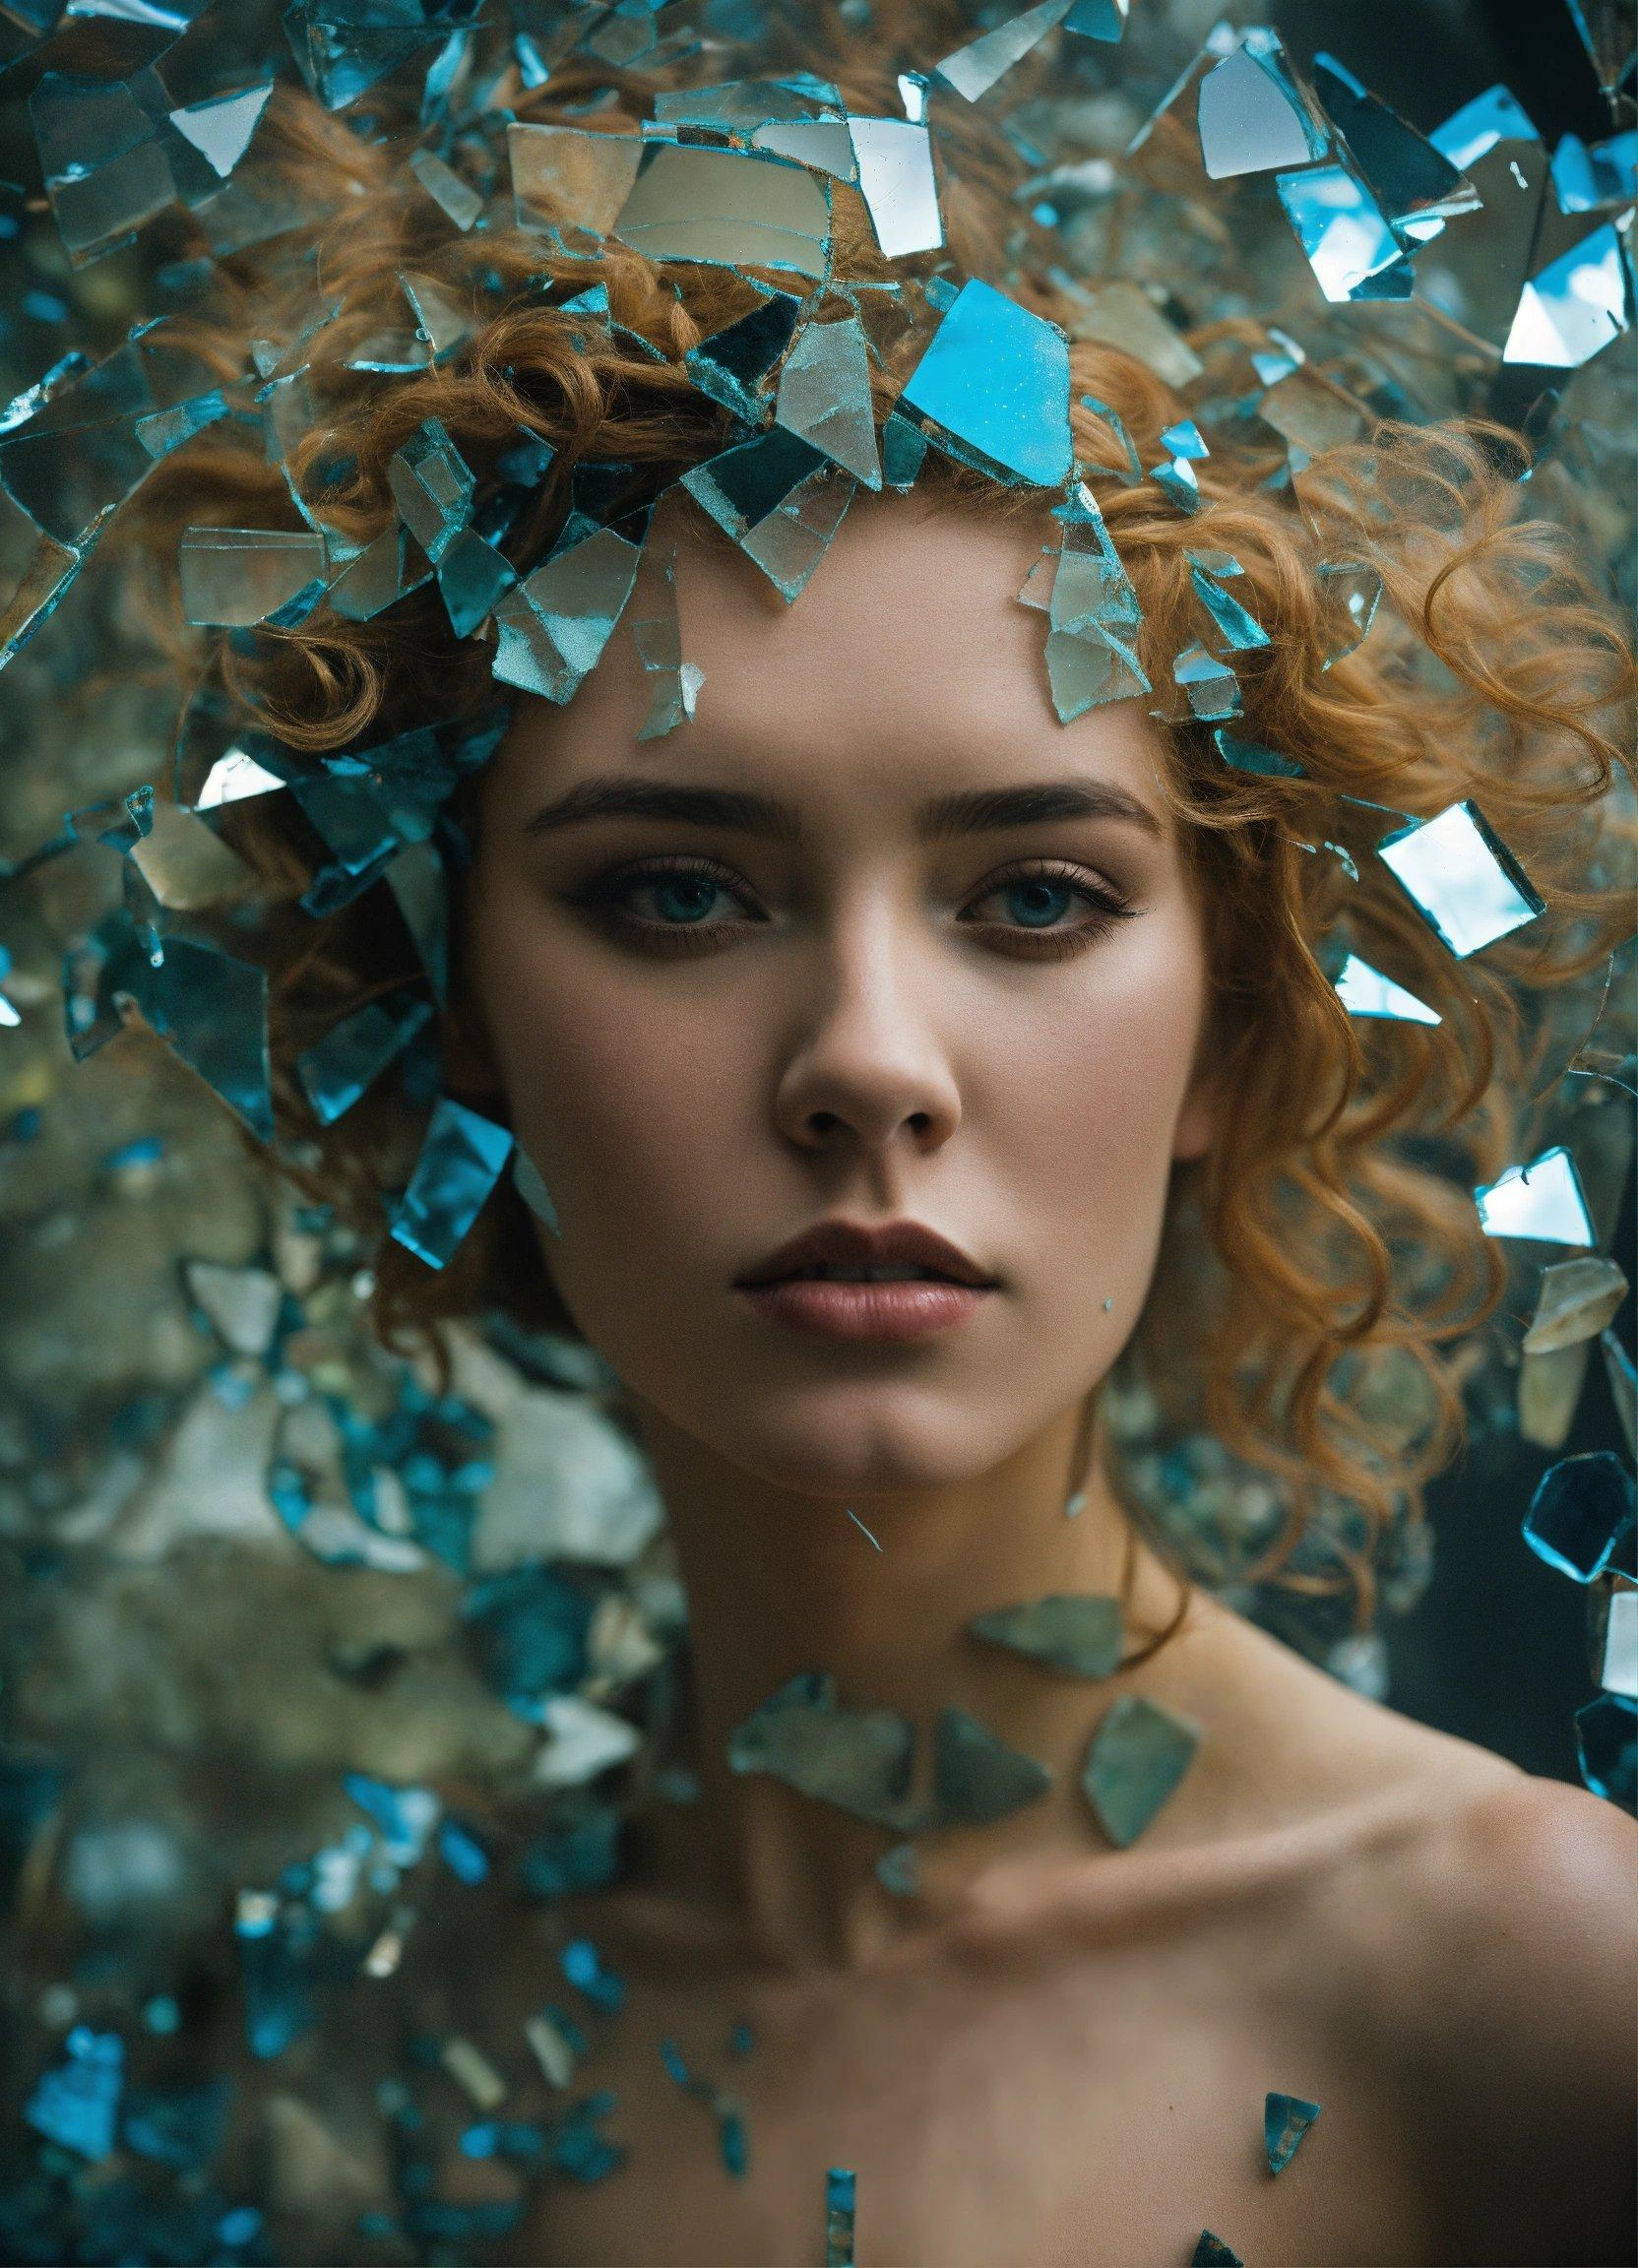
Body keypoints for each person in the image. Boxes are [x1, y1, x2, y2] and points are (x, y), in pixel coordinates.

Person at [106, 5, 1635, 2262]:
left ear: (1234, 1020)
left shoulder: (1541, 1994)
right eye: (676, 893)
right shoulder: (327, 2074)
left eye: (1035, 896)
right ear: (446, 1017)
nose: (867, 1062)